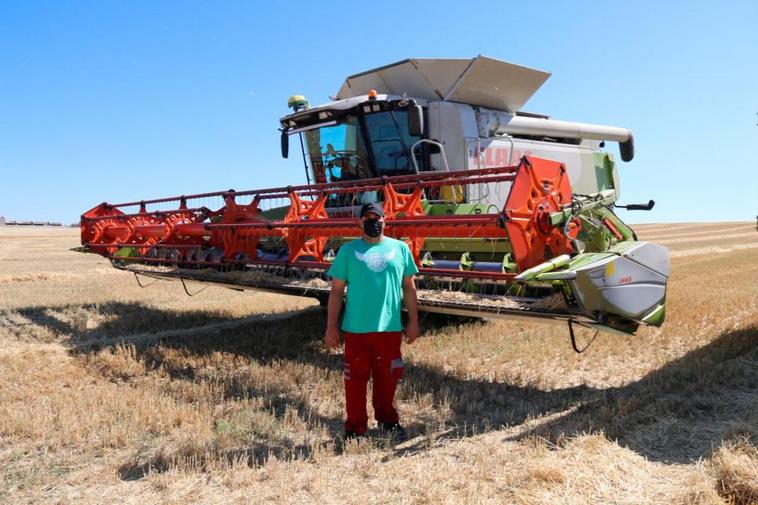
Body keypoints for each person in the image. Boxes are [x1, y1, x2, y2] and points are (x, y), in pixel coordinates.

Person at [324, 202, 420, 440]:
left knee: (388, 378)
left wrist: (414, 322)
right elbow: (336, 292)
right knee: (354, 382)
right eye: (367, 218)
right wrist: (331, 327)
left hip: (389, 329)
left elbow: (409, 288)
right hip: (356, 330)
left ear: (385, 221)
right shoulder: (347, 251)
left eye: (376, 217)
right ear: (359, 222)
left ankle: (388, 421)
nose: (372, 222)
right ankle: (355, 429)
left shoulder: (400, 249)